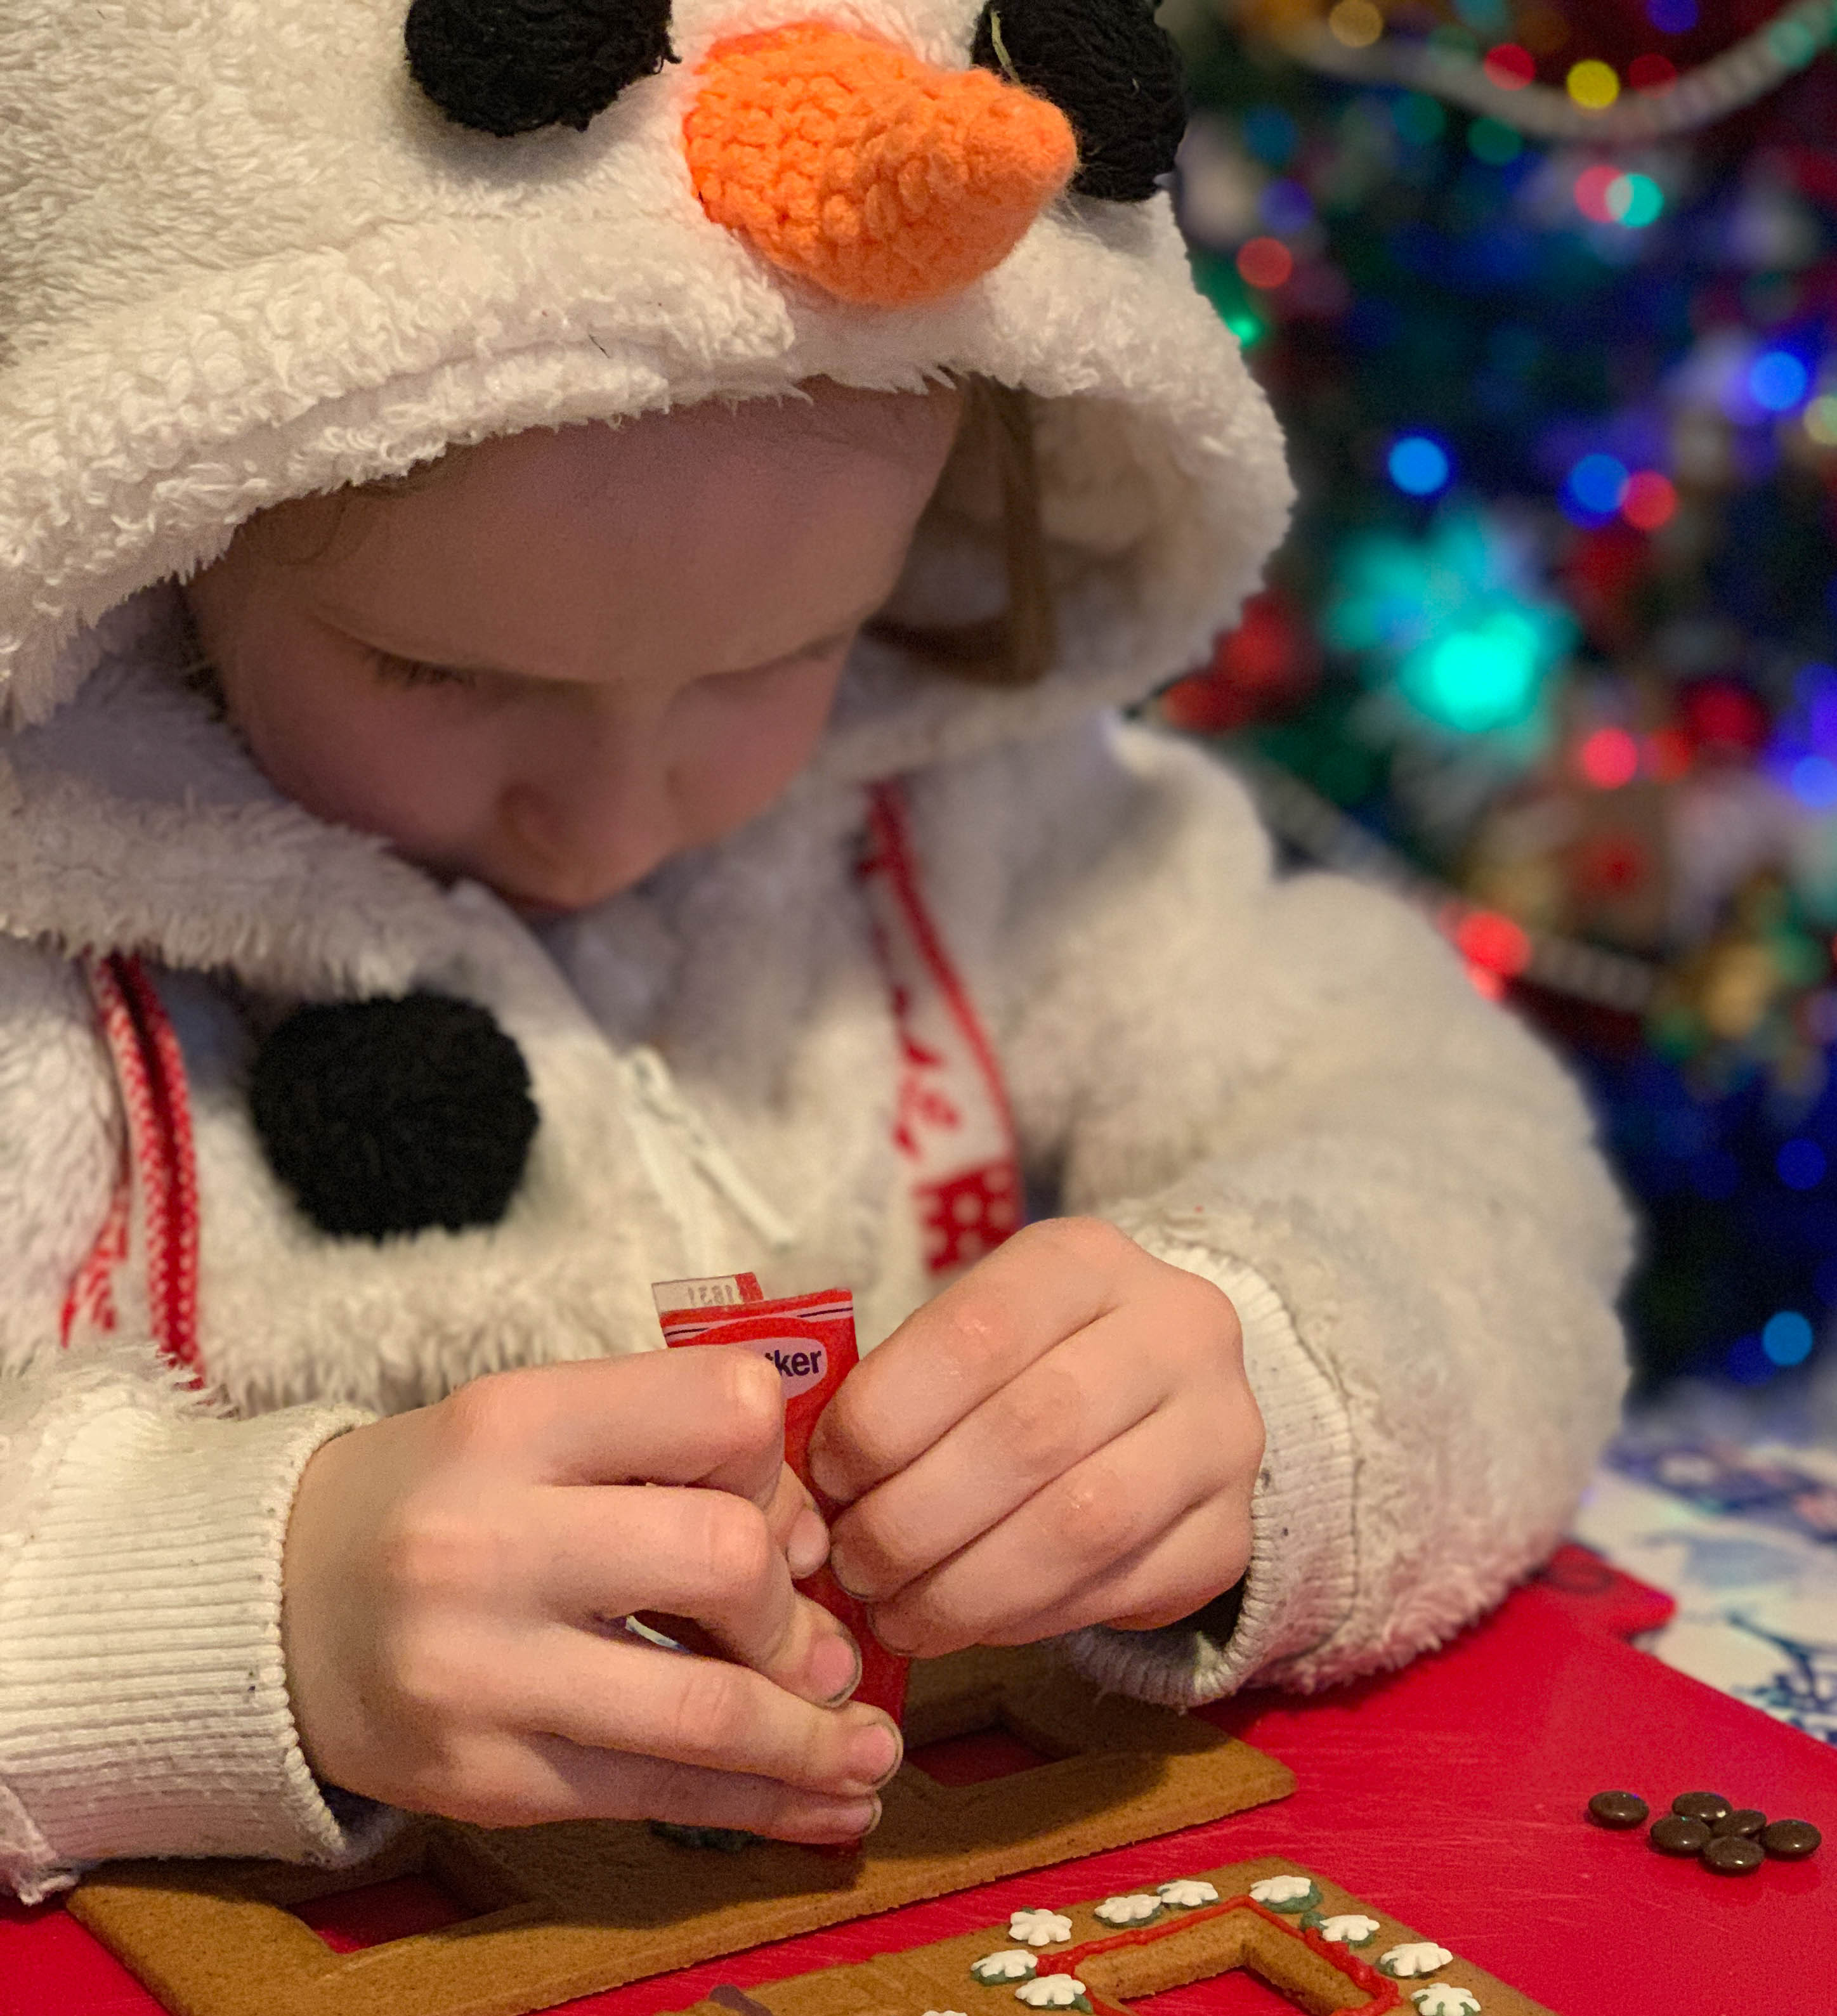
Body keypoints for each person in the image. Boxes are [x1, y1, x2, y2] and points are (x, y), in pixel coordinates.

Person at [0, 0, 1628, 1904]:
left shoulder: (998, 819)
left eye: (778, 659)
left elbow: (1469, 1154)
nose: (606, 825)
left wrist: (1287, 1379)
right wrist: (233, 1612)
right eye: (437, 673)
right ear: (150, 552)